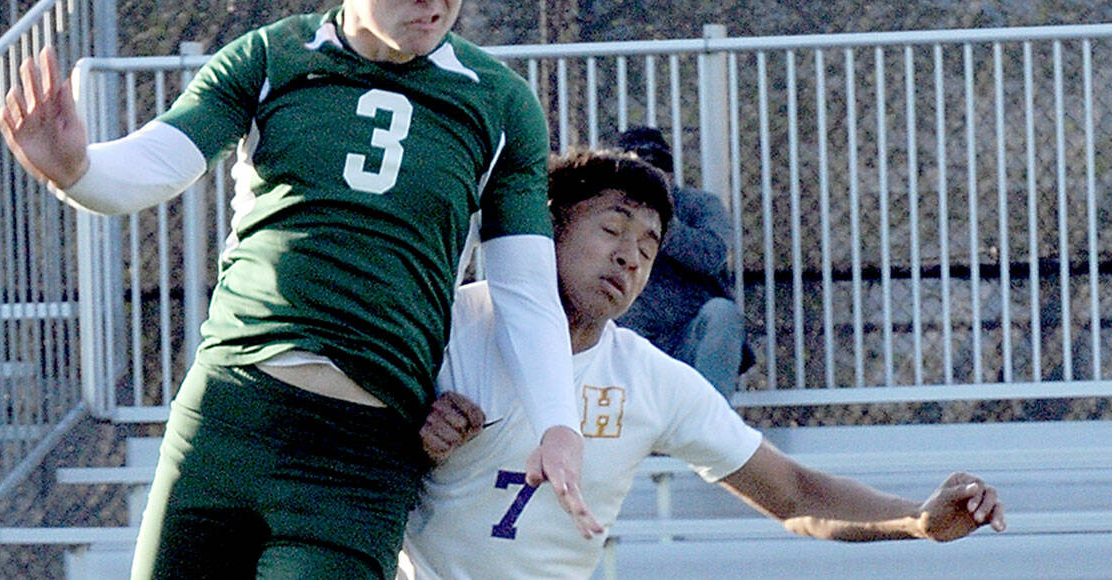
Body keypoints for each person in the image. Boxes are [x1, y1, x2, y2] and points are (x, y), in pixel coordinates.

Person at [0, 0, 595, 579]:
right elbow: (162, 162)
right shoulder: (273, 57)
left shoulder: (500, 103)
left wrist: (559, 424)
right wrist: (76, 169)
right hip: (227, 417)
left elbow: (525, 290)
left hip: (360, 456)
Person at [399, 148, 1005, 579]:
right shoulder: (447, 324)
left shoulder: (652, 380)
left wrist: (915, 522)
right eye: (612, 229)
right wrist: (411, 439)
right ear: (550, 229)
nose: (629, 258)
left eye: (648, 246)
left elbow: (794, 493)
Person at [616, 125, 752, 399]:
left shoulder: (699, 205)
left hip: (690, 340)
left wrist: (660, 222)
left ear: (669, 174)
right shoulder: (607, 213)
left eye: (654, 170)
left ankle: (713, 429)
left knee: (722, 314)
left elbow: (712, 256)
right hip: (631, 341)